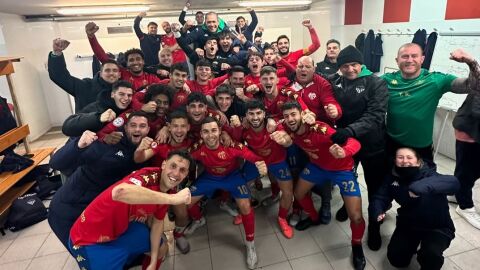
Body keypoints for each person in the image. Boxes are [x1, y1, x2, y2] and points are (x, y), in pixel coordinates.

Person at [272, 101, 366, 270]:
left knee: (356, 216)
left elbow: (354, 142)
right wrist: (277, 130)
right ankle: (314, 218)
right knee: (298, 195)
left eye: (294, 114)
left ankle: (357, 245)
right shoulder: (287, 127)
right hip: (316, 167)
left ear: (302, 114)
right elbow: (276, 126)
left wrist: (344, 151)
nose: (290, 119)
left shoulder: (319, 129)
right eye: (286, 116)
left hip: (341, 169)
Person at [68, 150, 194, 270]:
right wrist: (173, 199)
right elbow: (120, 192)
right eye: (173, 166)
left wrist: (153, 261)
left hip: (121, 230)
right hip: (88, 240)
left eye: (182, 170)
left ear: (186, 175)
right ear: (163, 164)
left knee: (161, 249)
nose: (176, 173)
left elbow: (157, 223)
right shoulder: (147, 177)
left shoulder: (168, 190)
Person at [48, 111, 151, 249]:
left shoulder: (146, 152)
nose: (137, 129)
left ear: (148, 129)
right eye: (133, 125)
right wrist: (78, 145)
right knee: (86, 256)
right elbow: (56, 163)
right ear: (126, 128)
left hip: (98, 210)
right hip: (69, 210)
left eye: (142, 126)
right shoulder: (108, 144)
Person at [328, 45, 389, 251]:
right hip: (347, 144)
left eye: (354, 64)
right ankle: (348, 205)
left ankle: (374, 226)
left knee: (374, 188)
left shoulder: (376, 83)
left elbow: (375, 115)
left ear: (361, 64)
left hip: (373, 143)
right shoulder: (335, 82)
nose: (350, 69)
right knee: (348, 180)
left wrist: (350, 130)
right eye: (344, 66)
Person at [187, 117, 267, 269]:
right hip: (209, 178)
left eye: (213, 130)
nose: (210, 135)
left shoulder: (231, 145)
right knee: (186, 201)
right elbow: (183, 159)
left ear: (220, 131)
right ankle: (199, 220)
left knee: (245, 207)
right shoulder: (197, 148)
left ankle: (250, 245)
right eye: (206, 132)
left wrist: (260, 164)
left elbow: (254, 157)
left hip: (233, 177)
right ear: (201, 135)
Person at [382, 44, 480, 162]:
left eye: (414, 56)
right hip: (391, 143)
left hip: (420, 148)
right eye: (405, 56)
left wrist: (471, 62)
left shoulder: (436, 80)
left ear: (422, 59)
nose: (409, 60)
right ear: (397, 60)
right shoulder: (385, 80)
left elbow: (471, 86)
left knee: (422, 180)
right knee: (391, 179)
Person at [369, 147, 459, 270]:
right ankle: (413, 246)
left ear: (418, 161)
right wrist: (377, 210)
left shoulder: (430, 174)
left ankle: (426, 251)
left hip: (437, 226)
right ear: (395, 161)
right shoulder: (391, 178)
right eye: (400, 157)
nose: (405, 161)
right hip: (409, 224)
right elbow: (380, 197)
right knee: (397, 259)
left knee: (430, 256)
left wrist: (421, 187)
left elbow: (453, 183)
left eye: (409, 157)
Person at [230, 100, 294, 239]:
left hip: (278, 161)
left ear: (264, 114)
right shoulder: (244, 127)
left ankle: (282, 218)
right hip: (256, 161)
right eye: (251, 114)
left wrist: (286, 141)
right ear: (246, 115)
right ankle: (245, 210)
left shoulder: (274, 125)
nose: (255, 117)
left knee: (288, 192)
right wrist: (236, 125)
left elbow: (288, 139)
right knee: (240, 184)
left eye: (258, 113)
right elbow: (236, 142)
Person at [48, 38, 120, 112]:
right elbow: (59, 76)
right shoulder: (84, 86)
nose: (111, 73)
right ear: (100, 72)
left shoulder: (122, 91)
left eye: (115, 70)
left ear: (119, 74)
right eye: (107, 70)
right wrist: (56, 53)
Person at [86, 22, 161, 91]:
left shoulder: (152, 77)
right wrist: (91, 37)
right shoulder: (122, 73)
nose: (135, 62)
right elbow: (104, 59)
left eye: (138, 59)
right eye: (131, 60)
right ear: (127, 63)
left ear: (143, 61)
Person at [452, 73, 480, 229]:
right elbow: (477, 109)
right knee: (467, 171)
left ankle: (457, 191)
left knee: (470, 170)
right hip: (471, 131)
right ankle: (465, 206)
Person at [62, 80, 133, 137]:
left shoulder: (132, 109)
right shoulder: (98, 106)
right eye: (121, 94)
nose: (126, 98)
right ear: (112, 95)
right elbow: (67, 127)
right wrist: (98, 118)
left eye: (129, 95)